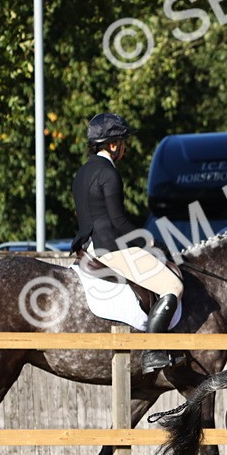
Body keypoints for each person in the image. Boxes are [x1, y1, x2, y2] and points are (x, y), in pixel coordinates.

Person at [71, 112, 183, 373]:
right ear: (112, 145)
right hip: (109, 249)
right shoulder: (109, 174)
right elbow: (119, 223)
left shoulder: (83, 172)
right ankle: (153, 352)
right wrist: (153, 241)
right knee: (173, 285)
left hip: (86, 247)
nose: (125, 147)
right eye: (123, 142)